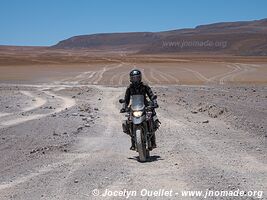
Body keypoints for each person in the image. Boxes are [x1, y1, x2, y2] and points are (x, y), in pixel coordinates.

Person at [120, 69, 160, 150]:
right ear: (131, 79)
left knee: (151, 116)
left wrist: (154, 102)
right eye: (134, 78)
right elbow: (126, 99)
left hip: (144, 105)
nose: (135, 80)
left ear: (140, 78)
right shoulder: (129, 88)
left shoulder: (145, 86)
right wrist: (124, 107)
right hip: (135, 106)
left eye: (137, 78)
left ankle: (152, 142)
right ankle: (133, 143)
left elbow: (151, 95)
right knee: (129, 120)